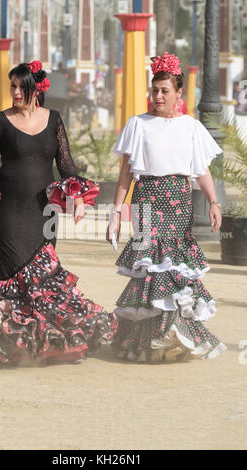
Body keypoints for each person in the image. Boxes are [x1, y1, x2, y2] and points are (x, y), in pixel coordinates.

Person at [0, 60, 117, 365]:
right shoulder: (0, 121)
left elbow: (66, 165)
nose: (14, 91)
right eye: (11, 85)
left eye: (19, 85)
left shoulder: (54, 119)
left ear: (34, 87)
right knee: (14, 275)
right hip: (8, 213)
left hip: (45, 212)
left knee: (44, 278)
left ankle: (43, 343)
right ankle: (12, 344)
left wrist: (78, 200)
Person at [106, 52, 227, 363]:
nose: (158, 96)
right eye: (154, 90)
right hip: (146, 201)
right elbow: (126, 173)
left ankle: (173, 330)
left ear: (178, 94)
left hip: (179, 202)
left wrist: (214, 202)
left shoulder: (190, 127)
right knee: (151, 268)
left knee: (174, 269)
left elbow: (201, 171)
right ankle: (152, 337)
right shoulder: (138, 124)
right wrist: (116, 213)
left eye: (164, 91)